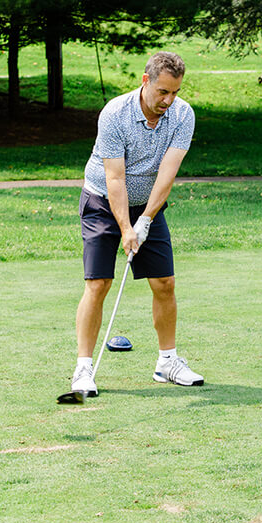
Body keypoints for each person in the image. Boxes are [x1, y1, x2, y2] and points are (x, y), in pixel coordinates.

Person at [71, 51, 203, 397]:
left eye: (175, 92)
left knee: (164, 282)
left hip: (149, 204)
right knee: (98, 283)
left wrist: (144, 219)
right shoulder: (115, 113)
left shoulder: (182, 115)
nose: (168, 100)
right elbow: (114, 178)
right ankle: (84, 368)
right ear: (146, 81)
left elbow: (167, 173)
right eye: (162, 91)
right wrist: (126, 228)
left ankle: (168, 362)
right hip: (102, 200)